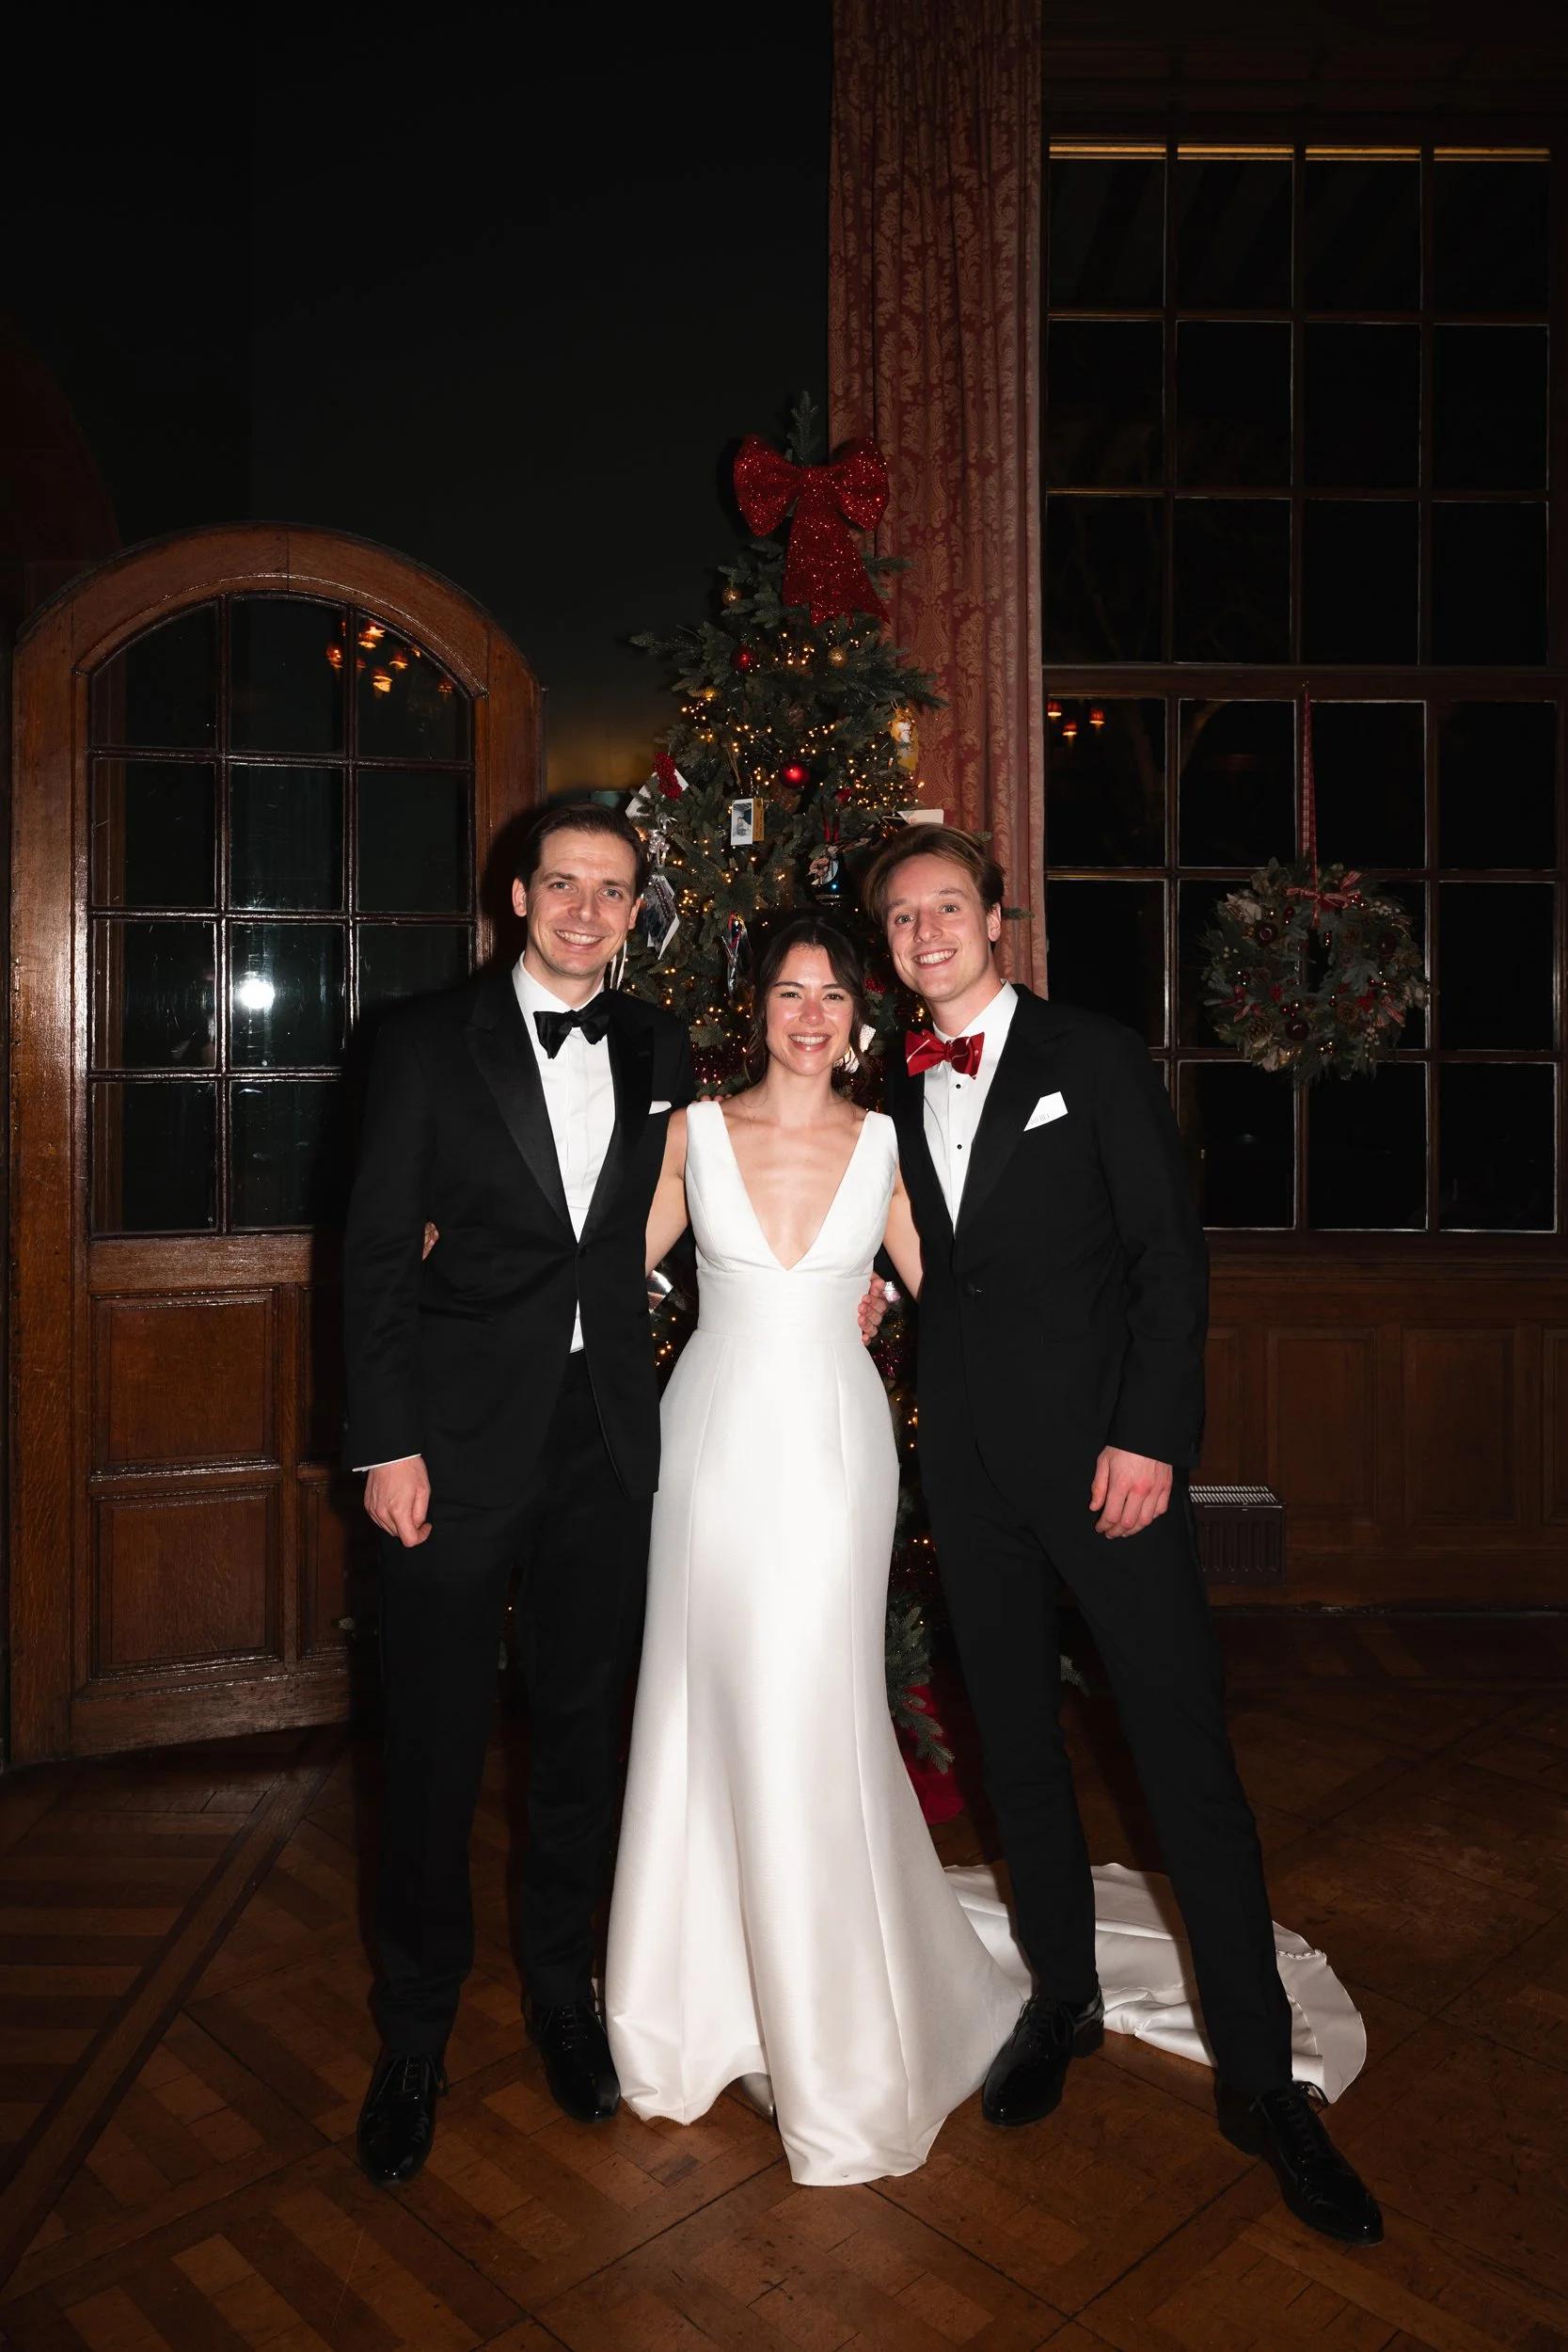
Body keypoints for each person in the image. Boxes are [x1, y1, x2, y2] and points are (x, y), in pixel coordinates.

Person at [867, 824, 1384, 2248]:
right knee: (1016, 1753)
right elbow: (921, 1267)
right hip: (966, 1480)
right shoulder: (888, 1088)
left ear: (993, 919)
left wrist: (1151, 1436)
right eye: (902, 918)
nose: (926, 934)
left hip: (1113, 1474)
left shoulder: (1088, 1057)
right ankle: (1062, 2002)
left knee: (1181, 1761)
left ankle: (1262, 2079)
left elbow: (1168, 1253)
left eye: (946, 908)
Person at [606, 915, 1023, 2185]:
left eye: (829, 994)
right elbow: (599, 1278)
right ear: (757, 1007)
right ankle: (692, 2004)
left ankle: (832, 2015)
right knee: (698, 1703)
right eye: (786, 992)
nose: (807, 1013)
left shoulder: (891, 1146)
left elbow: (960, 1298)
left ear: (859, 1017)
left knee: (810, 1705)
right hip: (710, 1452)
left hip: (837, 1451)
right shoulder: (689, 1132)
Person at [341, 803, 696, 2184]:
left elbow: (665, 1210)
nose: (586, 911)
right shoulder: (423, 1042)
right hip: (448, 1440)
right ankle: (414, 2031)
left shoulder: (660, 1042)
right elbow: (374, 1255)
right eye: (564, 885)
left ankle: (563, 1993)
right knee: (428, 1746)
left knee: (582, 1734)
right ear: (516, 895)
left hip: (603, 1437)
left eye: (612, 892)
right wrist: (385, 1446)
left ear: (632, 909)